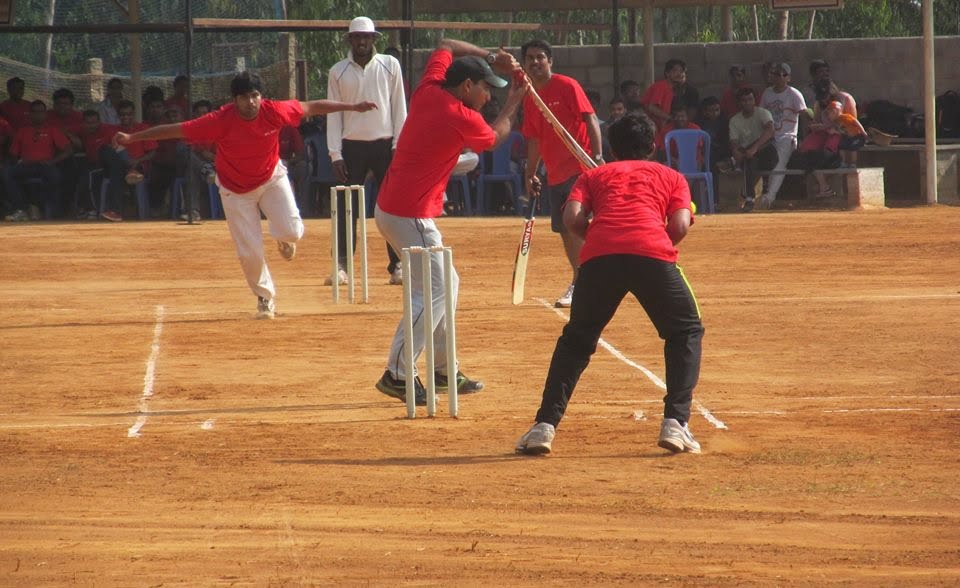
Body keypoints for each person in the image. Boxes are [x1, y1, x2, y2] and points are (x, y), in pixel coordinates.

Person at [114, 71, 377, 319]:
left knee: (293, 232)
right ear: (234, 100)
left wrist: (352, 107)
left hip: (271, 178)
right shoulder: (219, 120)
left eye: (254, 95)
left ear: (261, 96)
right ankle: (265, 297)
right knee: (249, 252)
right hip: (234, 189)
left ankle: (284, 240)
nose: (250, 102)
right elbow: (175, 129)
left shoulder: (275, 111)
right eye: (243, 97)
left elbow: (313, 106)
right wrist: (131, 137)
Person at [515, 111, 703, 456]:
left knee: (576, 341)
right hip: (652, 253)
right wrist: (651, 241)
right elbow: (679, 226)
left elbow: (572, 219)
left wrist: (603, 237)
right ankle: (676, 423)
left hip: (599, 256)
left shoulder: (593, 175)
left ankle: (543, 427)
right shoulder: (672, 177)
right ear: (652, 145)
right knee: (684, 331)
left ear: (613, 148)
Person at [373, 38, 525, 404]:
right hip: (410, 214)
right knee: (435, 291)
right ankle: (396, 372)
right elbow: (494, 138)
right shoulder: (458, 115)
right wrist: (516, 98)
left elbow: (445, 43)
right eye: (486, 89)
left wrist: (490, 56)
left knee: (447, 284)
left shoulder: (429, 87)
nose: (488, 97)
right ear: (468, 87)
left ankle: (443, 371)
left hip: (399, 210)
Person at [520, 38, 602, 308]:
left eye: (540, 57)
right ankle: (583, 278)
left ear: (550, 60)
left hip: (579, 168)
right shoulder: (529, 97)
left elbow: (590, 118)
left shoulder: (568, 86)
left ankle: (583, 282)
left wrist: (597, 155)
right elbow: (534, 140)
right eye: (530, 57)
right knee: (565, 230)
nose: (535, 62)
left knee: (574, 224)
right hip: (554, 174)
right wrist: (531, 173)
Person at [327, 16, 408, 286]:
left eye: (366, 37)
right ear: (350, 39)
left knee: (393, 207)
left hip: (385, 145)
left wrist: (399, 145)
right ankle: (341, 267)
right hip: (351, 147)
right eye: (357, 37)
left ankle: (398, 264)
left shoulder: (390, 65)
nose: (362, 41)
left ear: (374, 39)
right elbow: (333, 114)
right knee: (346, 206)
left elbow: (400, 107)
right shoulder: (337, 71)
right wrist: (335, 153)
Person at [4, 100, 72, 221]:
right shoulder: (23, 131)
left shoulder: (52, 130)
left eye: (41, 112)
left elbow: (68, 150)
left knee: (55, 175)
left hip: (45, 165)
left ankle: (52, 211)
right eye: (35, 112)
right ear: (29, 114)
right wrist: (19, 161)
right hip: (26, 165)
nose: (38, 115)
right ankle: (20, 209)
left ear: (45, 114)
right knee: (7, 173)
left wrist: (53, 161)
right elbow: (13, 153)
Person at [758, 62, 808, 210]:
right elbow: (761, 115)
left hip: (787, 136)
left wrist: (803, 139)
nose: (780, 77)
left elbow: (804, 116)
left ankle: (769, 197)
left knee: (779, 162)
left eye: (783, 74)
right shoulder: (767, 93)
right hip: (769, 135)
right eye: (776, 74)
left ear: (789, 78)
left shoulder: (794, 94)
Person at [98, 99, 155, 222]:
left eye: (128, 114)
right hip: (120, 166)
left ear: (133, 114)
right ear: (118, 115)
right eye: (122, 114)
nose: (125, 117)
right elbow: (107, 152)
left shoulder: (143, 128)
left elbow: (152, 153)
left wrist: (137, 160)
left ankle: (116, 211)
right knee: (106, 150)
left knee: (116, 171)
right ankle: (130, 170)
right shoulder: (112, 130)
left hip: (138, 165)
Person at [728, 87, 776, 212]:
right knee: (750, 160)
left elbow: (770, 131)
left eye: (750, 99)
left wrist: (754, 148)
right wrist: (736, 152)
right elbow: (734, 142)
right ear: (739, 103)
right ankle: (749, 198)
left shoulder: (763, 113)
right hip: (749, 156)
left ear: (755, 100)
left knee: (754, 153)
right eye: (744, 100)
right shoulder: (734, 120)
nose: (747, 103)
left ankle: (734, 164)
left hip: (767, 153)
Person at [641, 59, 698, 130]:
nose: (679, 74)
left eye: (681, 71)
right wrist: (671, 118)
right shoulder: (661, 86)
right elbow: (652, 107)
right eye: (675, 71)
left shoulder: (673, 89)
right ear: (667, 73)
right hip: (651, 128)